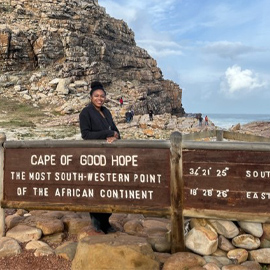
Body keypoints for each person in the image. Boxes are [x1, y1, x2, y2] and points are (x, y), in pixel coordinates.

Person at [79, 81, 120, 233]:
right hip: (94, 156)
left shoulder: (107, 112)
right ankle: (96, 222)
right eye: (96, 96)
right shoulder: (86, 112)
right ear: (91, 97)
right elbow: (86, 134)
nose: (99, 98)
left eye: (102, 96)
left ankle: (106, 221)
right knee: (96, 189)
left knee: (109, 189)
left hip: (108, 157)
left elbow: (116, 131)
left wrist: (114, 135)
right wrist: (107, 134)